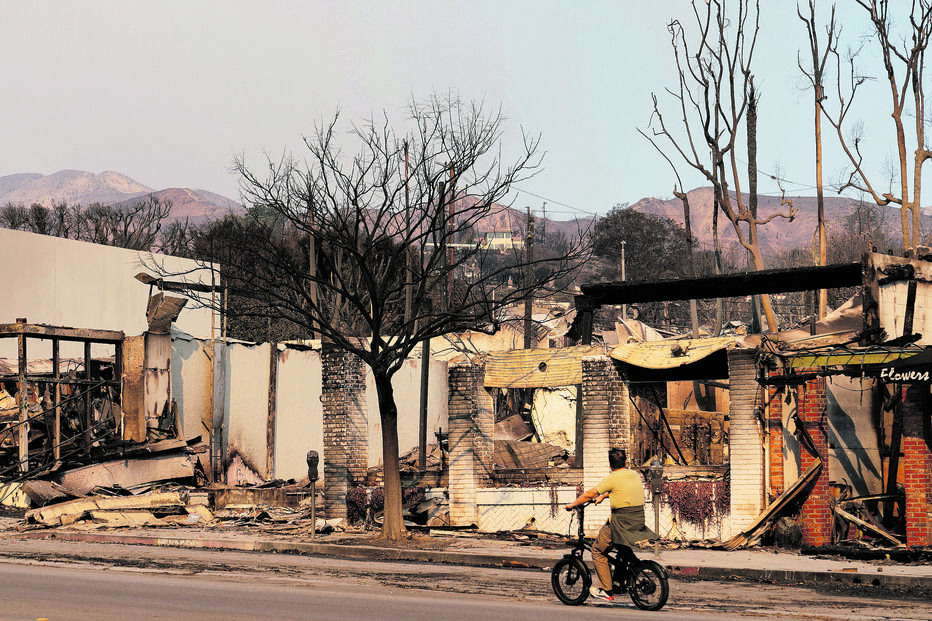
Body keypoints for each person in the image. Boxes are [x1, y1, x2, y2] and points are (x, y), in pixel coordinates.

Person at [564, 447, 656, 602]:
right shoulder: (633, 474)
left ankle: (606, 590)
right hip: (637, 520)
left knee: (597, 551)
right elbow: (620, 490)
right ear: (626, 462)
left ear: (610, 464)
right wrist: (604, 496)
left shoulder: (612, 478)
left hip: (620, 523)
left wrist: (573, 504)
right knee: (621, 549)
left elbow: (590, 494)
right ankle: (623, 578)